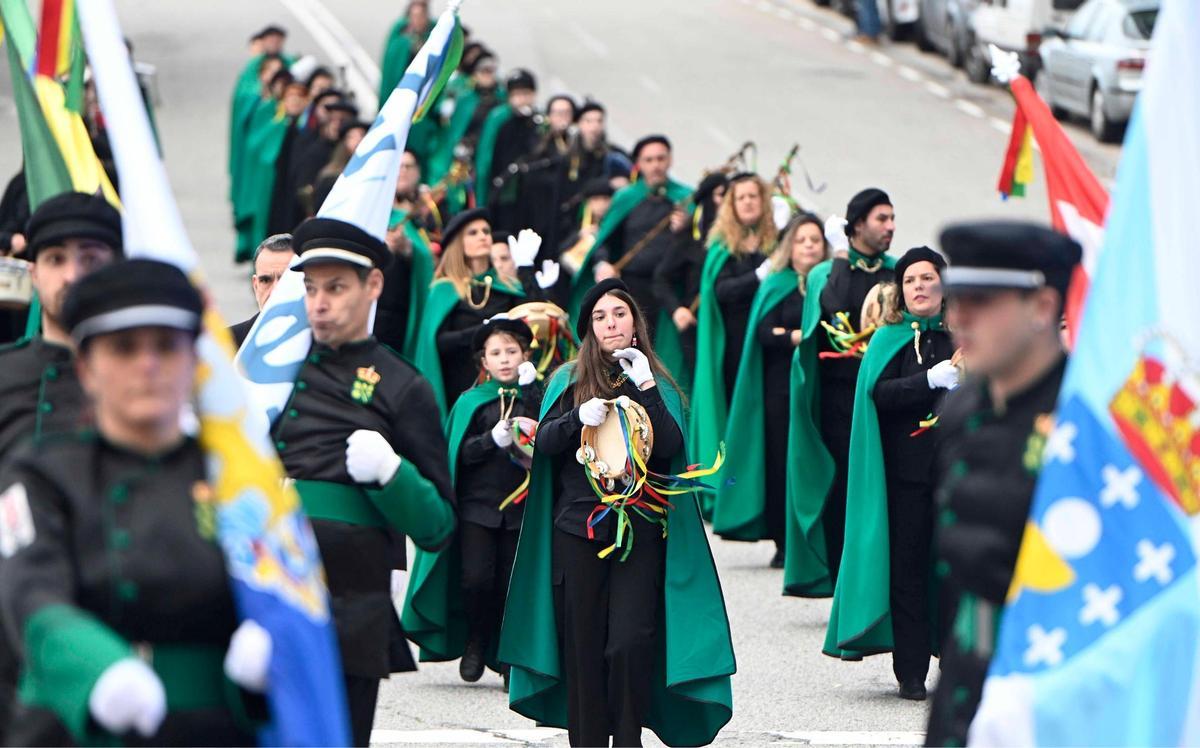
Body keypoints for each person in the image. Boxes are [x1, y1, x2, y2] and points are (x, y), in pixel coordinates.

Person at [0, 259, 267, 745]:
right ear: (87, 367)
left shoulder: (237, 476)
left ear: (193, 362)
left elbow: (286, 585)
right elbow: (31, 595)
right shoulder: (41, 474)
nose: (148, 364)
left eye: (166, 346)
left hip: (211, 727)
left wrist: (276, 647)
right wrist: (101, 671)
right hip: (77, 721)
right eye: (124, 348)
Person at [500, 279, 735, 748]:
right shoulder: (568, 380)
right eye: (601, 317)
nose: (611, 323)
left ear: (635, 323)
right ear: (590, 329)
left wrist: (645, 384)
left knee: (629, 642)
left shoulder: (659, 384)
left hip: (641, 532)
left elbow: (671, 447)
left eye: (620, 314)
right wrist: (573, 419)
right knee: (584, 648)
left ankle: (628, 736)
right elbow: (543, 445)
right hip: (578, 532)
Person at [270, 217, 456, 746]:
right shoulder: (270, 368)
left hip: (351, 610)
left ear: (373, 285)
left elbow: (439, 526)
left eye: (335, 288)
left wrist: (391, 475)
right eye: (309, 288)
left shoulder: (402, 385)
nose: (319, 304)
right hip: (268, 600)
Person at [925, 222, 1080, 746]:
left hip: (1055, 702)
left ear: (1042, 307)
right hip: (968, 686)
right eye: (956, 298)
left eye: (982, 301)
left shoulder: (1091, 425)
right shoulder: (962, 409)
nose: (958, 317)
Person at [0, 192, 123, 737]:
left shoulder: (145, 383)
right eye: (55, 259)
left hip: (110, 620)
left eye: (91, 258)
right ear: (33, 271)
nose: (72, 274)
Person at [823, 247, 956, 702]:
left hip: (958, 478)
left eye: (927, 277)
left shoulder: (964, 336)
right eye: (910, 280)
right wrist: (930, 381)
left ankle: (959, 664)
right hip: (907, 480)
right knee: (910, 573)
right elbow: (879, 394)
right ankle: (912, 670)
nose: (919, 286)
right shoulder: (889, 339)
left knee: (958, 570)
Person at [401, 317, 541, 688]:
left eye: (512, 351)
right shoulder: (472, 402)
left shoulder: (536, 395)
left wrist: (532, 393)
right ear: (484, 361)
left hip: (522, 509)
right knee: (477, 579)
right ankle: (476, 639)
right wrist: (487, 442)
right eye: (496, 353)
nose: (505, 359)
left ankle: (508, 655)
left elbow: (552, 430)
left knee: (512, 584)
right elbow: (455, 454)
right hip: (479, 507)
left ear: (526, 356)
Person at [712, 213, 829, 567]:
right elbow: (764, 332)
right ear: (789, 246)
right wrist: (795, 337)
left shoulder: (830, 282)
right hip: (780, 390)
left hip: (820, 389)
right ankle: (784, 540)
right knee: (783, 463)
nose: (808, 246)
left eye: (815, 240)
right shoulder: (776, 284)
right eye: (801, 239)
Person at [812, 187, 897, 585]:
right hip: (841, 394)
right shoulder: (832, 271)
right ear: (857, 224)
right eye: (882, 219)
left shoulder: (897, 271)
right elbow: (836, 307)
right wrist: (841, 259)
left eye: (892, 219)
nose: (890, 227)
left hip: (886, 393)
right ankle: (842, 577)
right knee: (844, 482)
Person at [567, 135, 693, 389]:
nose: (655, 165)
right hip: (631, 288)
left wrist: (686, 230)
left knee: (666, 355)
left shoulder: (685, 199)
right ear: (638, 164)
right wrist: (602, 264)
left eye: (660, 158)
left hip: (669, 292)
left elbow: (698, 250)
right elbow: (604, 241)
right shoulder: (626, 197)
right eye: (649, 159)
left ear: (669, 160)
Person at [689, 172, 777, 512]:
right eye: (741, 197)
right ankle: (731, 490)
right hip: (734, 346)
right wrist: (756, 277)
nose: (749, 202)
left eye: (754, 196)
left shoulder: (776, 242)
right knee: (735, 417)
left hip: (768, 344)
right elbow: (720, 292)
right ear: (732, 205)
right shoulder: (723, 246)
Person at [412, 209, 527, 417]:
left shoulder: (508, 286)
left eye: (486, 231)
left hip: (505, 386)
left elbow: (531, 322)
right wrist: (484, 330)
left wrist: (528, 271)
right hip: (460, 386)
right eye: (473, 233)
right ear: (458, 243)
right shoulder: (444, 290)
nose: (483, 236)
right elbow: (436, 343)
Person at [651, 171, 726, 379]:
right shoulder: (689, 239)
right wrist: (677, 310)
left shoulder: (737, 242)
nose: (727, 202)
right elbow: (661, 278)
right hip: (697, 325)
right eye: (721, 195)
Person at [477, 69, 540, 232]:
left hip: (532, 198)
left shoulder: (539, 121)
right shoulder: (499, 119)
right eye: (517, 94)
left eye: (526, 93)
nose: (522, 100)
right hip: (504, 195)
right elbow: (485, 160)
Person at [229, 233, 294, 349]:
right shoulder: (229, 344)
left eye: (286, 280)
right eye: (265, 280)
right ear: (255, 285)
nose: (275, 291)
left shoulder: (326, 345)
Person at [379, 0, 432, 104]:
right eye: (415, 17)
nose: (418, 21)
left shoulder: (431, 34)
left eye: (422, 17)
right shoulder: (400, 35)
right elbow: (391, 64)